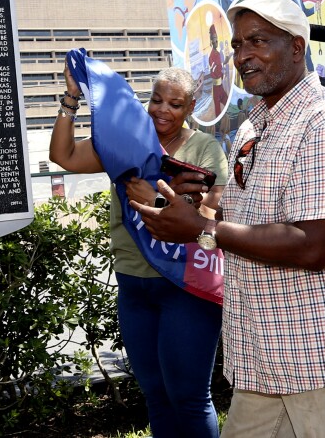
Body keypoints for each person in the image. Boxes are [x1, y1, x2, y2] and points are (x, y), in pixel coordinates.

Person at [134, 0, 325, 437]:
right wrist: (191, 210)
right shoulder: (255, 124)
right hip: (263, 360)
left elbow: (313, 245)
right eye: (238, 45)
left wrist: (202, 229)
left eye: (258, 41)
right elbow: (245, 221)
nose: (243, 55)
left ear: (297, 47)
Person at [49, 65, 228, 438]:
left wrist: (160, 200)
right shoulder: (126, 143)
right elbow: (63, 156)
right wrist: (71, 98)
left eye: (175, 104)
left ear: (191, 106)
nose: (162, 110)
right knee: (156, 396)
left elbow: (210, 221)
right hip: (134, 285)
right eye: (156, 100)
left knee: (189, 397)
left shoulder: (205, 150)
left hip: (184, 286)